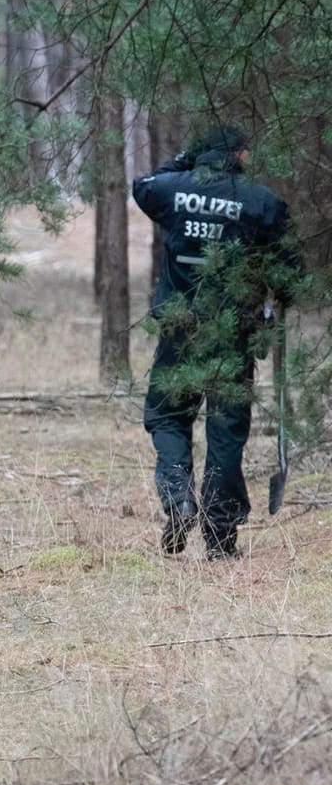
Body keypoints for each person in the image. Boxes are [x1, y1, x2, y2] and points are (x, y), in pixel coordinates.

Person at [133, 126, 300, 559]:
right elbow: (291, 272)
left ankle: (178, 498)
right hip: (233, 334)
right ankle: (221, 537)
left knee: (169, 418)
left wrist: (187, 160)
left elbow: (143, 185)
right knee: (226, 433)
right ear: (240, 153)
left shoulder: (171, 190)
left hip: (179, 330)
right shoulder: (260, 201)